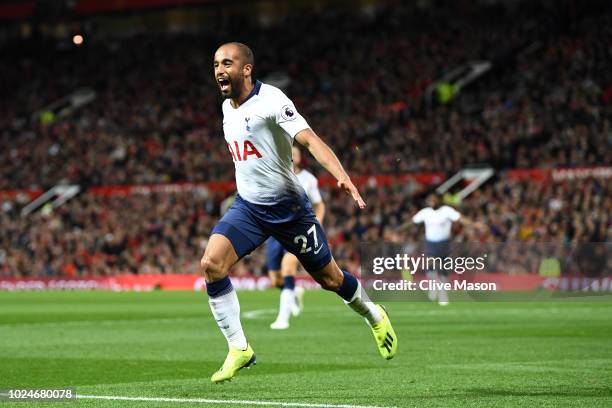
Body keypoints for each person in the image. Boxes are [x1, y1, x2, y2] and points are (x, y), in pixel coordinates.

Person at [202, 42, 397, 383]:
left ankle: (373, 312)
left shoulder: (272, 100)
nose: (219, 70)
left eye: (227, 63)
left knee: (331, 280)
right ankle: (240, 349)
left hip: (290, 210)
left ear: (246, 69)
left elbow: (309, 140)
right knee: (211, 265)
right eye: (216, 64)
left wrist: (343, 177)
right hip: (248, 207)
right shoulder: (226, 108)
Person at [267, 146, 325, 330]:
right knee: (276, 279)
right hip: (274, 230)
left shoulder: (309, 179)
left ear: (300, 158)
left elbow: (319, 205)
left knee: (288, 267)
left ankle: (283, 319)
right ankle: (294, 291)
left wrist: (317, 223)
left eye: (295, 154)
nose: (291, 156)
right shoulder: (273, 174)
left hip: (298, 230)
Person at [411, 194, 484, 305]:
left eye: (433, 199)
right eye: (429, 200)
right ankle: (433, 286)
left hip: (444, 244)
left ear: (438, 200)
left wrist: (474, 224)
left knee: (444, 270)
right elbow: (412, 222)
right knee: (430, 266)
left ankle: (443, 292)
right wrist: (396, 231)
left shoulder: (446, 211)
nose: (431, 201)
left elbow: (461, 219)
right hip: (430, 244)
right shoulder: (425, 212)